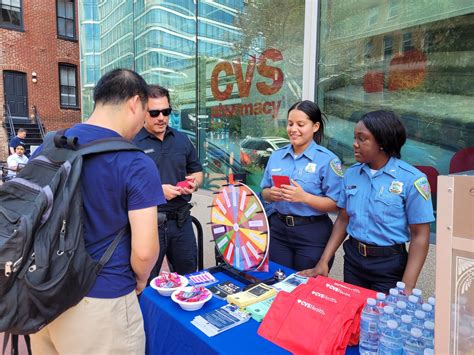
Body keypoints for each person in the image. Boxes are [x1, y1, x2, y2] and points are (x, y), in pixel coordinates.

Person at [30, 69, 165, 354]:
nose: (143, 124)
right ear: (134, 103)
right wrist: (140, 280)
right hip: (103, 301)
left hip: (43, 295)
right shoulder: (135, 162)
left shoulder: (51, 144)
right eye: (145, 113)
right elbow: (144, 251)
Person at [300, 110, 434, 294]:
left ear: (382, 142)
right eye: (355, 137)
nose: (354, 144)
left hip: (389, 266)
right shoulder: (352, 174)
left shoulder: (412, 180)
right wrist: (323, 261)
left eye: (362, 139)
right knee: (352, 315)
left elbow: (420, 236)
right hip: (354, 261)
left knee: (380, 320)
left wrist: (407, 286)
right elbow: (343, 220)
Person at [260, 100, 343, 271]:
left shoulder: (328, 160)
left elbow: (336, 203)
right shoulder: (277, 156)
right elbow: (264, 192)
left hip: (312, 233)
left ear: (315, 126)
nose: (293, 129)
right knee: (278, 280)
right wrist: (271, 194)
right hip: (279, 230)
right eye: (290, 124)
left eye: (301, 124)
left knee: (307, 286)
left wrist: (304, 197)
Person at [134, 85, 203, 276]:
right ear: (143, 112)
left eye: (166, 112)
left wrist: (194, 183)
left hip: (181, 222)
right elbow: (122, 187)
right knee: (145, 281)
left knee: (189, 276)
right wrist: (157, 191)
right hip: (148, 223)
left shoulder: (182, 140)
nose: (161, 118)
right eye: (154, 113)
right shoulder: (132, 143)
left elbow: (197, 171)